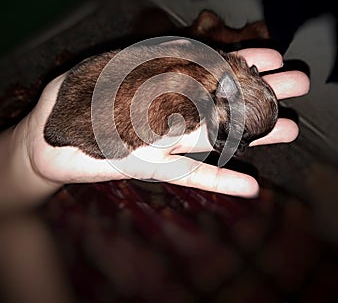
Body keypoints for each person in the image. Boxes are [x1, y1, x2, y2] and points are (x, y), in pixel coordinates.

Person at [0, 47, 309, 214]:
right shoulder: (192, 107)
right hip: (82, 132)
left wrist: (29, 158)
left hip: (71, 98)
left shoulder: (199, 55)